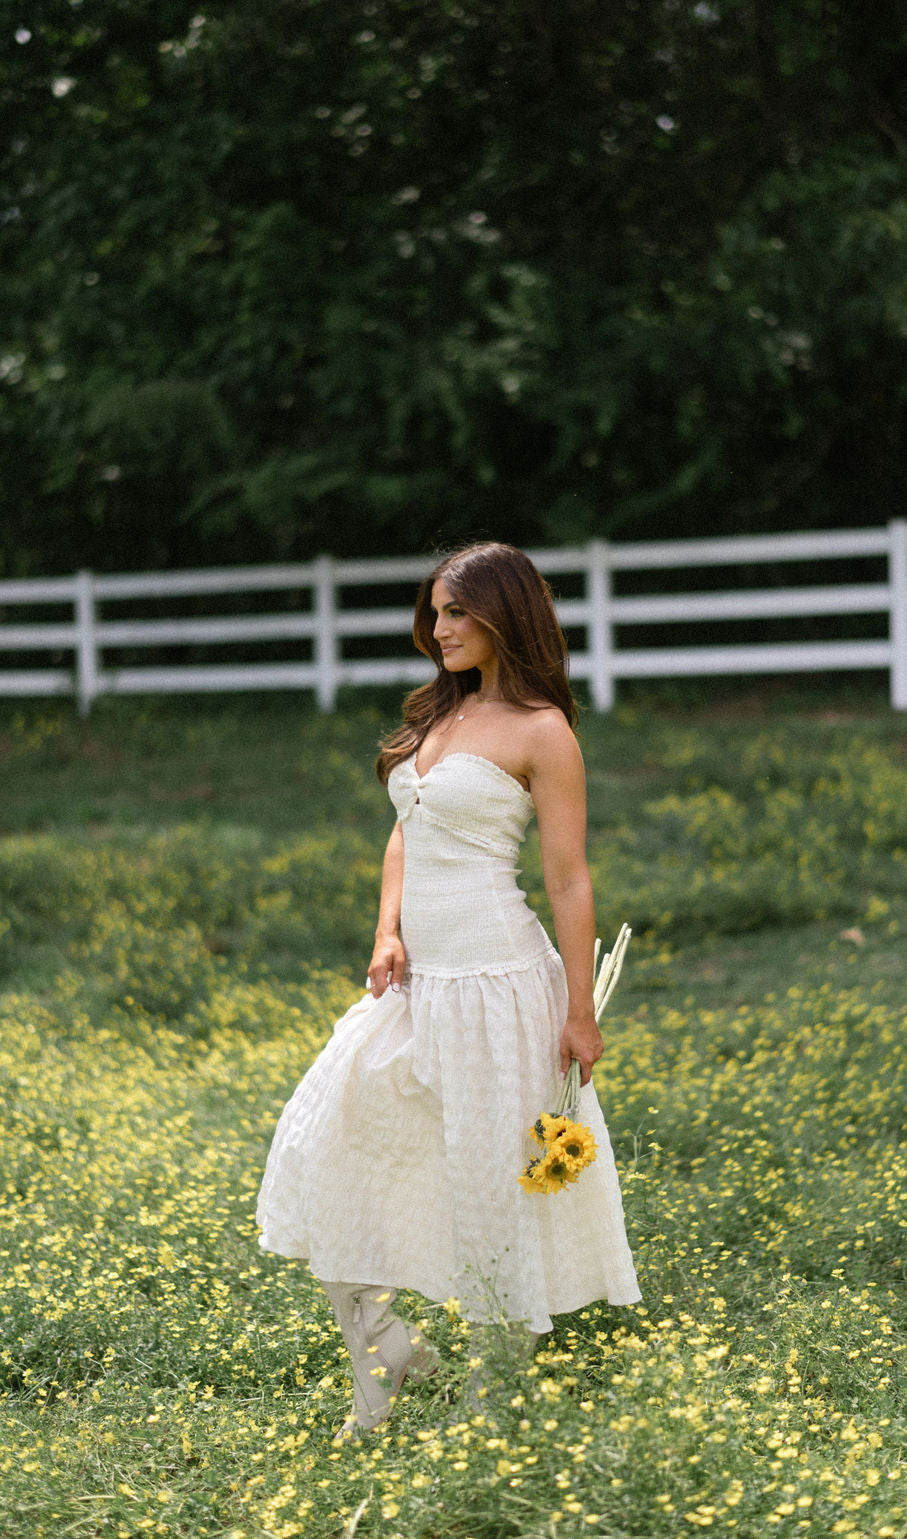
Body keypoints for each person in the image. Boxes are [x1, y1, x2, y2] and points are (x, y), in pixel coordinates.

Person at [256, 542, 640, 1440]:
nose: (442, 629)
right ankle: (383, 1352)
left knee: (491, 1187)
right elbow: (406, 833)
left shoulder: (542, 730)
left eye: (460, 612)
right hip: (416, 983)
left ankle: (493, 1404)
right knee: (322, 1143)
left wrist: (580, 1010)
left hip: (500, 984)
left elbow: (571, 879)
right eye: (435, 612)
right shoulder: (439, 714)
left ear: (506, 614)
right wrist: (388, 929)